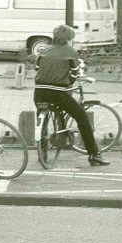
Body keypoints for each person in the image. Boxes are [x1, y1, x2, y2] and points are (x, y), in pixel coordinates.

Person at [34, 24, 110, 167]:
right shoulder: (70, 52)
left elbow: (37, 69)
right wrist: (68, 81)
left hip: (39, 92)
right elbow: (74, 74)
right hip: (58, 93)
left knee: (42, 121)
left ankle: (42, 153)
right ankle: (94, 155)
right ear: (68, 39)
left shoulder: (43, 51)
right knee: (82, 117)